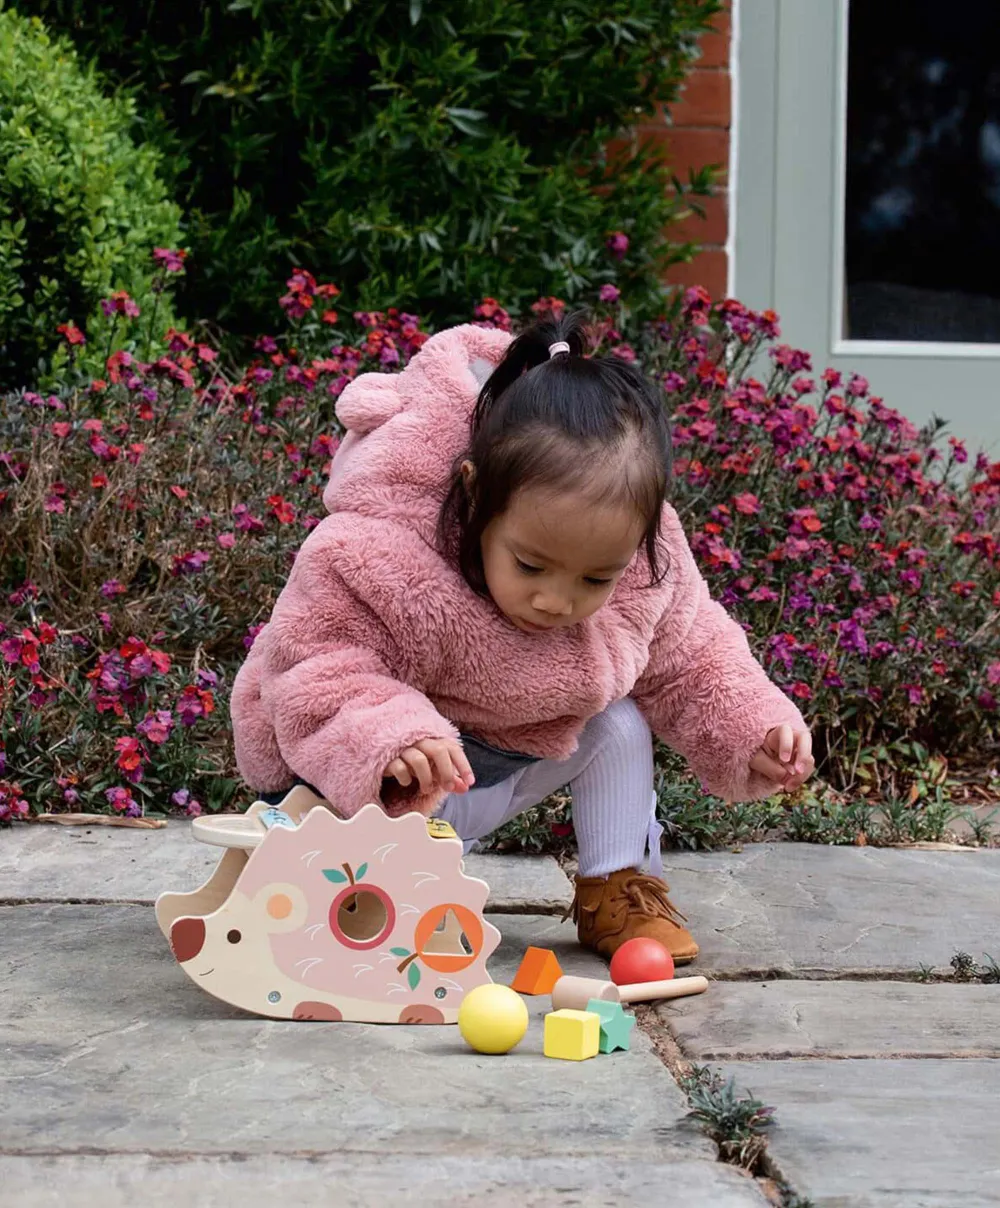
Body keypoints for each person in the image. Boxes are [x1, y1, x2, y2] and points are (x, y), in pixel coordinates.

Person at [230, 311, 813, 964]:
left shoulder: (646, 561)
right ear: (477, 497)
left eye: (596, 578)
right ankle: (343, 890)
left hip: (486, 774)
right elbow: (318, 660)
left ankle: (615, 887)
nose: (556, 600)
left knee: (619, 722)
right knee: (353, 869)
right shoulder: (386, 546)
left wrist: (753, 727)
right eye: (531, 565)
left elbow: (693, 657)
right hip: (364, 786)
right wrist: (388, 736)